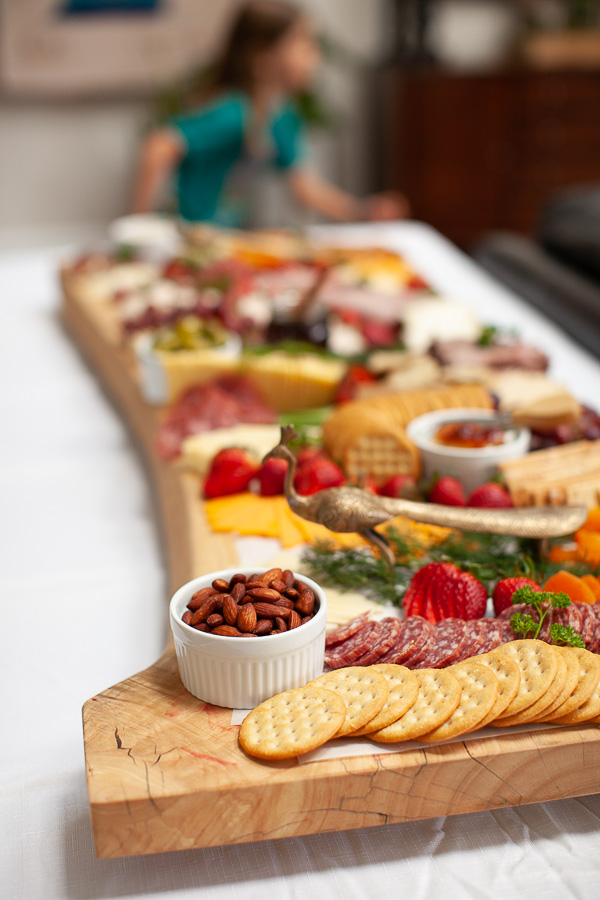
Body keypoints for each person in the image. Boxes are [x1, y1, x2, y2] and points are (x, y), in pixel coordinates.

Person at [131, 0, 409, 226]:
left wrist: (362, 211)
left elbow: (306, 189)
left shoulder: (281, 117)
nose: (314, 56)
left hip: (231, 241)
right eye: (304, 43)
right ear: (261, 57)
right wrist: (138, 229)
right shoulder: (234, 112)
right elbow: (158, 145)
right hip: (194, 239)